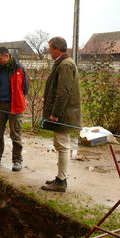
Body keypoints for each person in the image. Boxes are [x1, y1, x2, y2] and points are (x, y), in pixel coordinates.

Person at [41, 37, 82, 192]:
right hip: (64, 112)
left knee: (62, 145)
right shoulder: (63, 63)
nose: (49, 52)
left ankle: (61, 181)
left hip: (64, 113)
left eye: (50, 49)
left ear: (58, 48)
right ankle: (60, 178)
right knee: (61, 144)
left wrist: (55, 114)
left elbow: (63, 92)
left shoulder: (65, 65)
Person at [0, 47, 29, 171]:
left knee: (16, 135)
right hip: (0, 105)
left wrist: (18, 98)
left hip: (15, 106)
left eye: (0, 58)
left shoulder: (18, 68)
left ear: (6, 56)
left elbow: (25, 86)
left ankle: (17, 161)